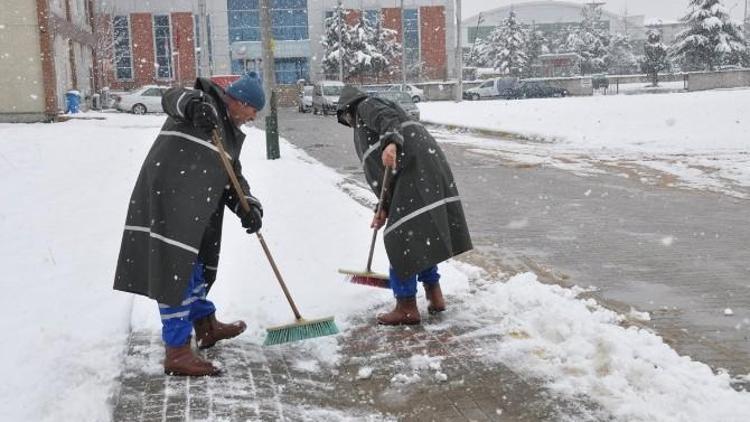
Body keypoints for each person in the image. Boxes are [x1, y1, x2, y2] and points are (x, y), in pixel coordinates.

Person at [113, 72, 266, 376]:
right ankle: (177, 351)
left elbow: (231, 175)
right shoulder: (203, 103)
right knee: (175, 272)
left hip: (195, 208)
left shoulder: (229, 131)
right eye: (253, 110)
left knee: (195, 269)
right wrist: (196, 106)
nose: (253, 117)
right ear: (239, 102)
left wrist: (248, 207)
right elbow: (173, 98)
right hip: (169, 201)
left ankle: (205, 326)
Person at [336, 86, 473, 325]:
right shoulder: (367, 120)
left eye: (346, 118)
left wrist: (391, 142)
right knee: (418, 233)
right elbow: (384, 175)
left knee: (402, 238)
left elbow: (387, 121)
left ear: (348, 109)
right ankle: (434, 295)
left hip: (415, 168)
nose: (350, 123)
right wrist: (383, 208)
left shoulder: (366, 105)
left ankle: (406, 306)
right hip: (420, 167)